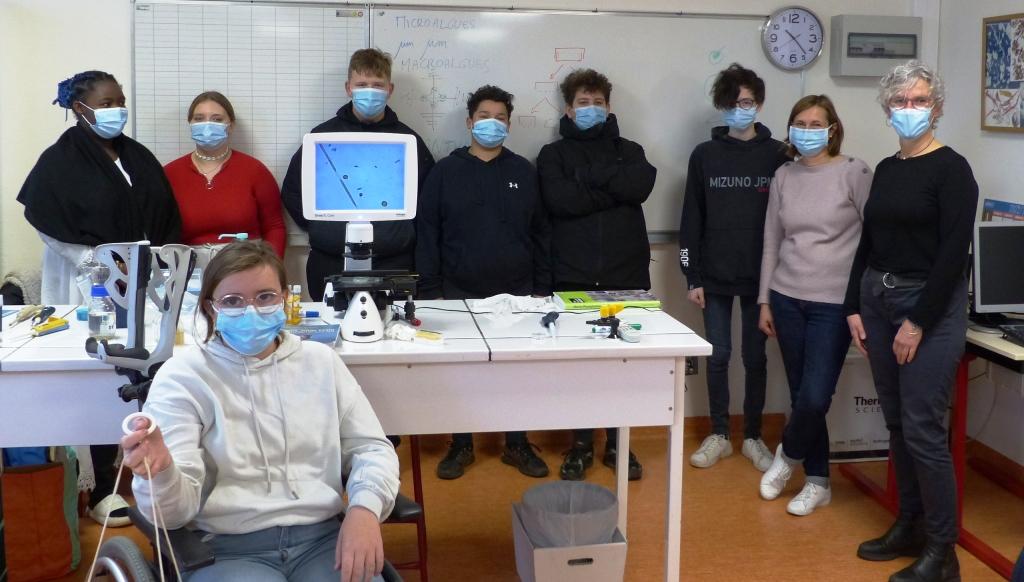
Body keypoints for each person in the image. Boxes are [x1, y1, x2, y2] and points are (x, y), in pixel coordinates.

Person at [121, 240, 400, 582]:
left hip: (323, 538)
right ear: (211, 308)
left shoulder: (321, 363)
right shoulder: (184, 377)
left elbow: (371, 448)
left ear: (284, 297)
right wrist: (161, 472)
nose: (251, 311)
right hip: (226, 547)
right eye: (232, 301)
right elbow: (173, 515)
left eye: (265, 297)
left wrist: (364, 509)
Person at [17, 70, 181, 527]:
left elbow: (163, 215)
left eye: (120, 101)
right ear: (80, 107)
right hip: (89, 282)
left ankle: (148, 473)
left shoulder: (136, 155)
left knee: (142, 376)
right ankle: (101, 489)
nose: (117, 110)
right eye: (107, 103)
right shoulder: (59, 162)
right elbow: (48, 224)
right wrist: (100, 262)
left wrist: (156, 263)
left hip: (143, 284)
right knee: (96, 380)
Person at [844, 61, 977, 582]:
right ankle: (911, 524)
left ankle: (943, 552)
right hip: (878, 299)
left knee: (923, 429)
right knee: (898, 424)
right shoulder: (888, 168)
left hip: (929, 307)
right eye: (900, 101)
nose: (909, 109)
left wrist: (918, 322)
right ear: (887, 109)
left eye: (919, 100)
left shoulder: (953, 170)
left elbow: (953, 255)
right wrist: (853, 305)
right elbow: (869, 240)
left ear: (936, 108)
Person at [416, 85, 552, 480]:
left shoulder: (523, 171)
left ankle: (516, 443)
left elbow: (541, 233)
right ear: (469, 121)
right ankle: (461, 444)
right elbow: (428, 233)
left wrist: (542, 288)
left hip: (518, 291)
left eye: (500, 118)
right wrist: (432, 292)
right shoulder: (445, 172)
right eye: (484, 116)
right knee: (462, 374)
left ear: (509, 124)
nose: (492, 123)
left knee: (517, 372)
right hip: (458, 292)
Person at [755, 95, 872, 516]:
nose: (807, 131)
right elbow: (772, 240)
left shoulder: (854, 172)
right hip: (787, 297)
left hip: (834, 303)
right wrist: (765, 300)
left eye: (816, 123)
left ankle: (787, 455)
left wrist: (863, 301)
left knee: (815, 396)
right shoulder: (784, 175)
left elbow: (875, 237)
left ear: (832, 129)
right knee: (801, 392)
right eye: (799, 123)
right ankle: (818, 482)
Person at [537, 68, 656, 482]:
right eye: (583, 103)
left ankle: (620, 444)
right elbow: (560, 201)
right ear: (569, 110)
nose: (591, 109)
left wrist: (586, 181)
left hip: (627, 276)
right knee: (580, 368)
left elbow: (639, 187)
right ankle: (582, 445)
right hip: (572, 276)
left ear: (609, 106)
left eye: (598, 102)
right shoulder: (552, 155)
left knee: (624, 366)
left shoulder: (632, 150)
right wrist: (611, 188)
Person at [678, 63, 789, 472]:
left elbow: (788, 220)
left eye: (747, 102)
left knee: (755, 358)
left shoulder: (779, 155)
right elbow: (691, 219)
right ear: (721, 107)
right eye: (732, 103)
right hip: (715, 276)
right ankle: (720, 435)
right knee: (719, 355)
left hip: (762, 279)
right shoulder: (704, 155)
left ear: (759, 103)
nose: (740, 109)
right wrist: (691, 275)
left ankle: (753, 437)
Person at [281, 48, 435, 300]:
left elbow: (429, 199)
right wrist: (321, 226)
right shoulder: (322, 137)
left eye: (377, 85)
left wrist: (402, 231)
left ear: (390, 89)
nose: (370, 91)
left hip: (393, 262)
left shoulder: (408, 141)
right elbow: (293, 191)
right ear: (348, 88)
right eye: (362, 84)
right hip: (331, 262)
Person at [164, 91, 286, 265]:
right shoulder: (169, 174)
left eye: (217, 119)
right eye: (199, 119)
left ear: (231, 125)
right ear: (190, 123)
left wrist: (270, 269)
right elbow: (159, 230)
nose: (207, 126)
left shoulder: (255, 171)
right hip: (188, 270)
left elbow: (274, 227)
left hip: (246, 268)